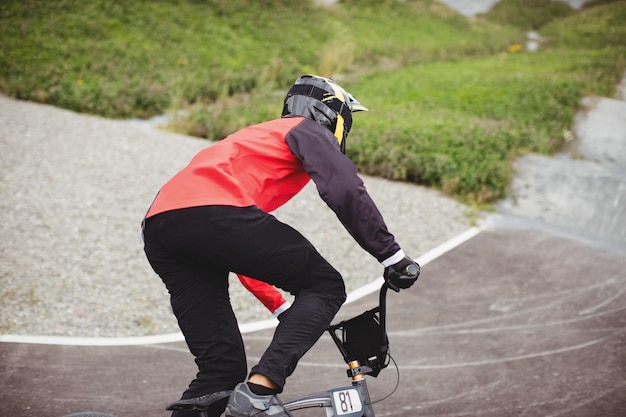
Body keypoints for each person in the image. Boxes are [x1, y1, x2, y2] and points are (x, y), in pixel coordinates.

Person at [142, 74, 420, 417]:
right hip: (214, 212)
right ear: (333, 116)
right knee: (325, 285)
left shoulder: (254, 139)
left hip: (160, 229)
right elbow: (344, 189)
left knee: (220, 372)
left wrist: (284, 311)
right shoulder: (305, 129)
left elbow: (239, 249)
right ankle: (261, 390)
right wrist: (391, 254)